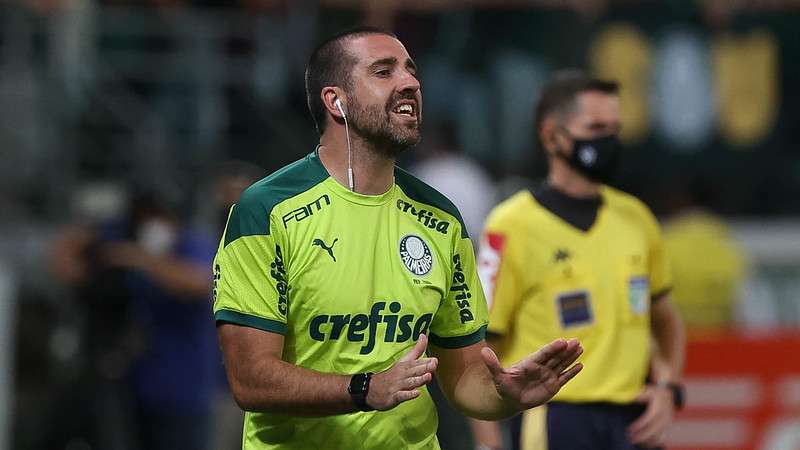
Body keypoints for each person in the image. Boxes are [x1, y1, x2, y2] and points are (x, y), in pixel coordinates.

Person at [212, 27, 584, 450]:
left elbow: (465, 378)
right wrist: (364, 389)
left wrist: (507, 396)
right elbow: (251, 379)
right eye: (383, 71)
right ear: (337, 101)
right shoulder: (266, 210)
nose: (410, 83)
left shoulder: (441, 219)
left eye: (410, 71)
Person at [471, 71, 686, 450]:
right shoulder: (509, 225)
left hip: (633, 424)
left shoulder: (637, 218)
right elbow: (479, 351)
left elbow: (667, 321)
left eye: (615, 129)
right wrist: (489, 445)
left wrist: (667, 388)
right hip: (554, 419)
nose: (609, 140)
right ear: (552, 136)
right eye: (597, 127)